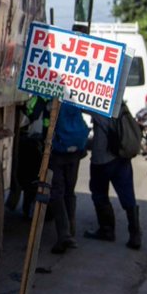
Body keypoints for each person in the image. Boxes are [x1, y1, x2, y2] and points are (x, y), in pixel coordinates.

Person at [84, 104, 142, 249]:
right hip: (122, 156)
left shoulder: (99, 103)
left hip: (103, 159)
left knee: (99, 194)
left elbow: (81, 104)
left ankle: (107, 230)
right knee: (128, 195)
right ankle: (135, 234)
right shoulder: (121, 105)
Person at [49, 103, 90, 254]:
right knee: (69, 190)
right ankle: (71, 231)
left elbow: (34, 113)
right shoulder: (76, 97)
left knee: (57, 192)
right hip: (75, 149)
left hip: (58, 150)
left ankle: (64, 235)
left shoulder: (53, 97)